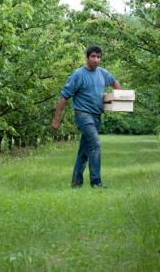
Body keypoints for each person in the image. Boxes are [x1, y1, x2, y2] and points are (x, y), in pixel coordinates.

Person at [50, 45, 121, 188]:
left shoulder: (102, 73)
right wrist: (56, 120)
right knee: (95, 145)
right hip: (82, 115)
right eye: (93, 56)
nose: (96, 59)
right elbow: (64, 97)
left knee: (84, 150)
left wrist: (122, 98)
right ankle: (96, 182)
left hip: (96, 116)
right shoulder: (78, 74)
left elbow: (114, 82)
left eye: (99, 57)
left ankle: (76, 183)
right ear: (87, 57)